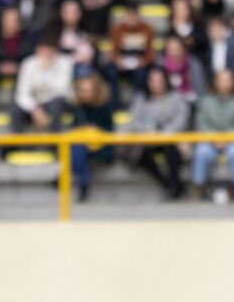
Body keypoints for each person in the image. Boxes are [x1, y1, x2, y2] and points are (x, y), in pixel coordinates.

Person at [124, 67, 189, 200]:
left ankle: (173, 184)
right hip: (148, 139)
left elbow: (181, 119)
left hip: (170, 138)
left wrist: (165, 133)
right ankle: (169, 185)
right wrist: (149, 131)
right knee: (141, 154)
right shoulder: (141, 98)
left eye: (159, 80)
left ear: (166, 81)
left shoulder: (177, 97)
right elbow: (134, 122)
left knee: (172, 150)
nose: (156, 84)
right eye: (153, 80)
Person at [192, 69, 234, 201]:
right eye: (221, 80)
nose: (224, 83)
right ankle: (199, 187)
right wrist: (214, 138)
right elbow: (201, 123)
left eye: (228, 80)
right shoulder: (206, 100)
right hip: (211, 141)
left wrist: (228, 138)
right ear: (215, 82)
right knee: (202, 152)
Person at [11, 38, 74, 133]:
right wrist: (35, 109)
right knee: (15, 110)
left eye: (50, 49)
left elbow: (62, 89)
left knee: (56, 103)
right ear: (37, 50)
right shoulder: (28, 63)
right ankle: (16, 144)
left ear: (56, 50)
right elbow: (22, 93)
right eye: (43, 49)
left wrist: (46, 71)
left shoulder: (66, 62)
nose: (47, 53)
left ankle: (55, 142)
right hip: (36, 103)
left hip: (60, 101)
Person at [69, 74, 114, 202]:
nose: (86, 94)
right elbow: (74, 129)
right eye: (83, 90)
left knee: (78, 149)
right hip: (83, 146)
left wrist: (94, 130)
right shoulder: (78, 109)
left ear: (96, 91)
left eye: (89, 90)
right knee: (78, 148)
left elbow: (109, 134)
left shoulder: (104, 109)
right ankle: (82, 185)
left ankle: (64, 178)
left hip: (102, 148)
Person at [103, 6, 154, 108]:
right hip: (122, 64)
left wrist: (143, 61)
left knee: (142, 73)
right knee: (111, 72)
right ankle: (114, 103)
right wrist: (117, 60)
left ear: (138, 16)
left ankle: (137, 104)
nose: (131, 19)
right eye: (128, 16)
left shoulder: (147, 29)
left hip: (140, 64)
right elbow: (113, 52)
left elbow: (150, 53)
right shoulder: (117, 29)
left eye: (133, 16)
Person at [0, 7, 35, 102]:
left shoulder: (27, 40)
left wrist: (18, 67)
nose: (11, 24)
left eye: (14, 21)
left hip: (21, 73)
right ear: (2, 22)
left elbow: (32, 60)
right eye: (8, 20)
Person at [200, 18, 234, 88]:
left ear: (224, 30)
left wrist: (229, 78)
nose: (216, 33)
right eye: (212, 31)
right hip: (213, 84)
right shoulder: (206, 46)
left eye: (218, 30)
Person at [158, 36, 206, 102]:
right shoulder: (161, 64)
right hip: (166, 101)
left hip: (190, 100)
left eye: (177, 49)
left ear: (184, 49)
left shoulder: (193, 63)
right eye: (170, 50)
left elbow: (199, 86)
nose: (174, 53)